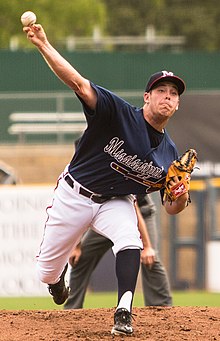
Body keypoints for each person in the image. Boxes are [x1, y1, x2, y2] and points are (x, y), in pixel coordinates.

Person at [23, 22, 189, 336]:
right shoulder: (117, 113)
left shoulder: (170, 154)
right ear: (147, 97)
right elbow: (77, 82)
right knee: (45, 271)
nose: (168, 96)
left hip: (116, 201)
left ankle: (124, 310)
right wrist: (43, 44)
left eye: (174, 93)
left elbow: (171, 207)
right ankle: (57, 281)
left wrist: (179, 195)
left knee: (130, 240)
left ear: (177, 104)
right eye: (161, 91)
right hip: (75, 194)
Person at [64, 193, 172, 309]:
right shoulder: (89, 179)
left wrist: (147, 247)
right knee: (81, 258)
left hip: (140, 211)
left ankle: (162, 310)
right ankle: (71, 310)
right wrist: (76, 245)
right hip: (107, 215)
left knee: (150, 259)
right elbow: (81, 208)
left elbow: (134, 209)